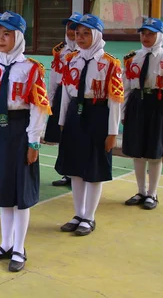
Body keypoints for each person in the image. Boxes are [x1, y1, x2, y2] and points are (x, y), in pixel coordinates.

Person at [0, 11, 50, 272]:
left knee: (20, 192)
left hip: (20, 130)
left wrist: (34, 143)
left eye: (6, 33)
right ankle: (5, 244)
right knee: (3, 189)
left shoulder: (32, 69)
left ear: (18, 36)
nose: (0, 38)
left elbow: (39, 108)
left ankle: (19, 248)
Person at [55, 14, 123, 236]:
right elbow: (65, 92)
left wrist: (113, 131)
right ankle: (78, 213)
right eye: (77, 33)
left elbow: (115, 99)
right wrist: (62, 120)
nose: (80, 37)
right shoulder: (70, 59)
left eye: (86, 33)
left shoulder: (110, 63)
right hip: (76, 114)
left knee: (93, 168)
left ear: (97, 34)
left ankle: (89, 216)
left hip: (98, 114)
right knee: (75, 168)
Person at [121, 18, 163, 209]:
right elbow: (125, 87)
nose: (146, 37)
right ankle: (140, 191)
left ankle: (152, 194)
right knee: (137, 151)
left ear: (159, 36)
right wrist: (123, 112)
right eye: (143, 33)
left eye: (151, 34)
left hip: (157, 106)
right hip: (136, 105)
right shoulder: (132, 58)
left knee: (155, 153)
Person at [47, 12, 82, 188]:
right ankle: (66, 173)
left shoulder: (86, 50)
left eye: (75, 27)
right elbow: (54, 77)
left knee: (80, 136)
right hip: (62, 93)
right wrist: (51, 100)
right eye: (69, 27)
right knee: (64, 135)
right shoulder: (59, 51)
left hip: (79, 95)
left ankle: (80, 172)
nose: (71, 31)